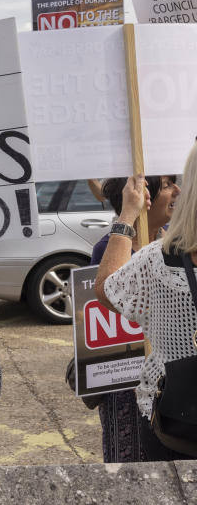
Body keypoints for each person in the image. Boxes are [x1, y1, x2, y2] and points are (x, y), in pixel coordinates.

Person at [95, 160, 197, 461]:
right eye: (167, 185)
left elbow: (107, 289)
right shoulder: (148, 254)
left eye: (178, 183)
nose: (176, 190)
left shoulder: (162, 250)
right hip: (139, 386)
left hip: (176, 406)